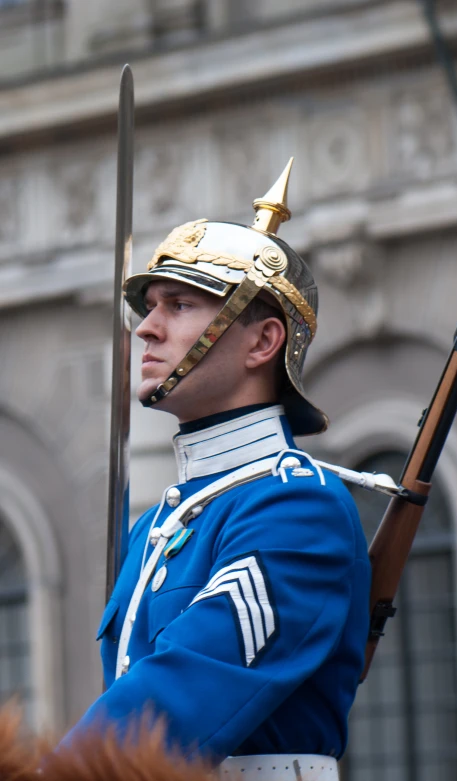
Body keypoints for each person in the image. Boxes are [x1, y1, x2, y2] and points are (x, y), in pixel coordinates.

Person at [65, 160, 371, 775]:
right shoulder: (158, 523)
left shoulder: (296, 508)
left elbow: (183, 692)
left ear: (263, 342)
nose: (147, 329)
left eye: (178, 305)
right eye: (148, 307)